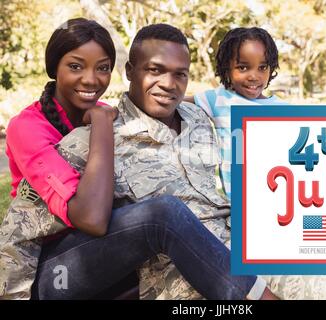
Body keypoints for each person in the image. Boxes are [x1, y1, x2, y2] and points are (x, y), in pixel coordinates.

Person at [38, 24, 326, 301]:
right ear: (130, 72)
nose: (168, 84)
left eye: (179, 74)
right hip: (193, 278)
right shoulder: (95, 140)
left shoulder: (204, 121)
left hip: (247, 243)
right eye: (155, 70)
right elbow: (24, 236)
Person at [0, 19, 276, 300]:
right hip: (53, 267)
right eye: (75, 66)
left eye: (102, 68)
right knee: (163, 214)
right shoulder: (41, 129)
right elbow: (79, 219)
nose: (90, 79)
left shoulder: (115, 116)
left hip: (113, 251)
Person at [186, 27, 287, 201]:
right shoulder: (218, 98)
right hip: (235, 203)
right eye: (243, 67)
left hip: (274, 196)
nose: (254, 76)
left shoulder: (282, 109)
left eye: (262, 67)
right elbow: (174, 100)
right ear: (227, 69)